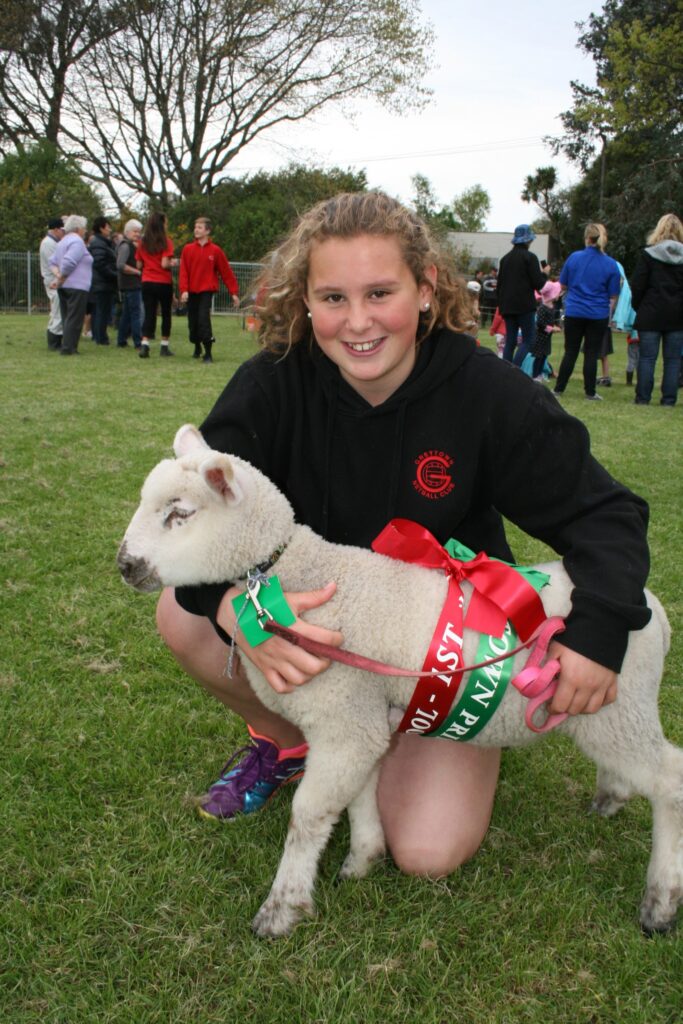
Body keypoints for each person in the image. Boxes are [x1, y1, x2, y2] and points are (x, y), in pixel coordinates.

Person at [155, 192, 650, 879]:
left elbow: (606, 515)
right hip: (323, 625)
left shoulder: (486, 390)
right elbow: (198, 509)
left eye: (380, 292)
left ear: (426, 290)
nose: (357, 322)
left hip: (438, 644)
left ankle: (438, 735)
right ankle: (287, 740)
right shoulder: (271, 384)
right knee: (181, 619)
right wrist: (228, 607)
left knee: (425, 850)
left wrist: (596, 634)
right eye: (332, 297)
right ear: (304, 300)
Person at [554, 224, 621, 401]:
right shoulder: (610, 264)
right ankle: (590, 392)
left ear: (586, 238)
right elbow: (613, 294)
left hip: (575, 311)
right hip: (597, 313)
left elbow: (563, 284)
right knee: (591, 353)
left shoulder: (574, 258)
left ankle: (559, 388)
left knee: (571, 351)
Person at [629, 213, 683, 407]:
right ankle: (669, 400)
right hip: (677, 315)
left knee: (647, 358)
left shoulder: (649, 255)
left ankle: (643, 398)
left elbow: (637, 285)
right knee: (673, 360)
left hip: (650, 313)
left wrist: (639, 307)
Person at [178, 217, 240, 363]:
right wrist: (184, 290)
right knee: (192, 322)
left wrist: (234, 293)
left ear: (207, 231)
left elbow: (226, 272)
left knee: (203, 320)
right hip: (191, 291)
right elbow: (183, 271)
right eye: (195, 227)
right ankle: (196, 345)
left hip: (206, 290)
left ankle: (208, 353)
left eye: (200, 227)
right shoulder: (187, 249)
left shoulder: (216, 251)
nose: (196, 230)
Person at [496, 225, 547, 364]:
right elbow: (539, 284)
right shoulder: (530, 258)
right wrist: (545, 274)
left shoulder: (505, 259)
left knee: (510, 341)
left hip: (507, 305)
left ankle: (506, 370)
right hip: (524, 305)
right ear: (528, 240)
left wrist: (500, 304)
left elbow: (499, 285)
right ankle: (514, 369)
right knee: (528, 340)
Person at [50, 215, 93, 356]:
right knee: (74, 318)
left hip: (65, 286)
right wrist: (62, 277)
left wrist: (58, 278)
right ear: (78, 228)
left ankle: (68, 346)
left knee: (67, 317)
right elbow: (69, 262)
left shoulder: (62, 242)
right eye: (84, 228)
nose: (85, 231)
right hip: (76, 286)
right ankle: (69, 348)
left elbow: (53, 262)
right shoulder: (77, 241)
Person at [137, 211, 177, 358]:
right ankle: (164, 346)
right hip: (163, 281)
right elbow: (164, 263)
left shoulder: (143, 242)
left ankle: (145, 344)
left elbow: (139, 264)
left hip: (147, 281)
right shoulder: (166, 241)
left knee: (149, 313)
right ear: (162, 224)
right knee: (166, 314)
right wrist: (173, 263)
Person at [88, 216, 118, 346]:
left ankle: (100, 336)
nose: (110, 229)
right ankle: (100, 337)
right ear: (101, 228)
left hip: (104, 282)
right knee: (101, 310)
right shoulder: (98, 244)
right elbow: (100, 264)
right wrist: (114, 275)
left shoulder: (102, 243)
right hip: (102, 283)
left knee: (102, 310)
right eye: (108, 226)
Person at [116, 219, 143, 349]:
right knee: (135, 314)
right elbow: (120, 265)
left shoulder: (131, 245)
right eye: (135, 231)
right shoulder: (125, 246)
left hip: (129, 284)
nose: (137, 234)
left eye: (139, 232)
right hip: (131, 284)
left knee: (127, 314)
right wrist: (137, 272)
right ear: (127, 232)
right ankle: (138, 342)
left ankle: (121, 340)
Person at [39, 216, 65, 350]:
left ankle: (56, 340)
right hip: (53, 281)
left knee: (58, 310)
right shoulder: (48, 243)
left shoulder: (52, 242)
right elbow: (54, 264)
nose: (63, 233)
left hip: (55, 280)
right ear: (56, 229)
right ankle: (54, 343)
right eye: (62, 230)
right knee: (57, 311)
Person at [531, 280, 562, 381]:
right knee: (539, 356)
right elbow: (540, 324)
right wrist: (552, 329)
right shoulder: (542, 308)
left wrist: (555, 326)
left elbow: (551, 321)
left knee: (544, 355)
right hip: (540, 337)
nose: (559, 294)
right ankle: (535, 375)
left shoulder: (552, 307)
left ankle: (540, 374)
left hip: (546, 338)